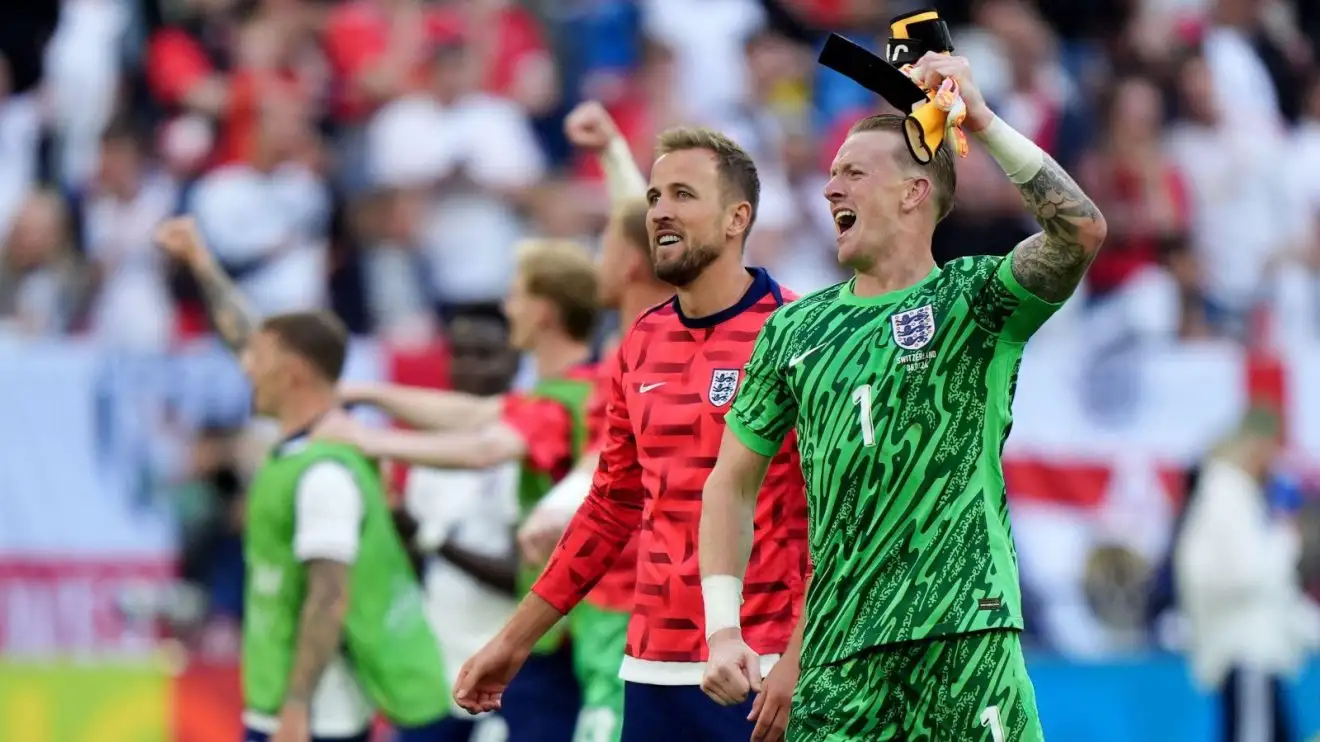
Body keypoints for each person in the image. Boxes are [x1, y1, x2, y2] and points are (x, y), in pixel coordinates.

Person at [698, 52, 1109, 742]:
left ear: (914, 192)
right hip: (838, 657)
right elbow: (730, 484)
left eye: (853, 173)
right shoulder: (794, 329)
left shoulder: (972, 300)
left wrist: (982, 119)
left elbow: (1081, 230)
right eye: (830, 175)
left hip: (963, 631)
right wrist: (722, 628)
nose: (830, 190)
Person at [453, 126, 810, 742]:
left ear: (736, 218)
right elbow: (610, 505)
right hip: (651, 666)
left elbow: (845, 515)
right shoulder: (642, 340)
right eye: (652, 198)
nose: (660, 211)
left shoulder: (800, 332)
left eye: (682, 194)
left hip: (764, 669)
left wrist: (803, 658)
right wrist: (513, 642)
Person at [153, 217, 451, 742]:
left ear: (292, 373)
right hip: (290, 709)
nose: (245, 369)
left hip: (313, 720)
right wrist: (201, 261)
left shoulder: (325, 473)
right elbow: (243, 333)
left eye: (259, 360)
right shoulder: (305, 448)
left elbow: (328, 599)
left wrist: (296, 711)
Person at [325, 239, 608, 742]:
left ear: (542, 312)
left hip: (570, 637)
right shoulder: (570, 392)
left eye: (515, 294)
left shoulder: (568, 401)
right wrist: (365, 394)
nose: (507, 307)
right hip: (563, 635)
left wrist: (364, 436)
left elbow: (483, 446)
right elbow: (472, 416)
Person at [397, 314, 522, 742]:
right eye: (461, 355)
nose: (470, 367)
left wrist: (430, 537)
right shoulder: (430, 452)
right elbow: (410, 564)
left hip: (506, 679)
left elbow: (524, 576)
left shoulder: (528, 449)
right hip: (434, 675)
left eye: (484, 354)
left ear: (514, 358)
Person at [1175, 407, 1320, 742]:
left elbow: (1272, 594)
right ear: (1256, 445)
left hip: (1259, 658)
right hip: (1247, 656)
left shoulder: (1240, 496)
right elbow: (1246, 575)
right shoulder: (1225, 495)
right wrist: (1286, 539)